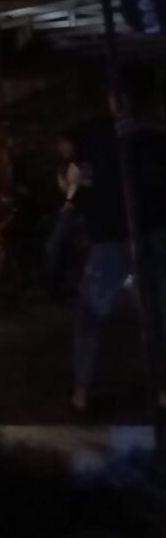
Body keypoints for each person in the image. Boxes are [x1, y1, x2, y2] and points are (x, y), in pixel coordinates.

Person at [71, 67, 166, 415]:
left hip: (114, 237)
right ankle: (161, 390)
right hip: (153, 233)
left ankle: (81, 391)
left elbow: (83, 186)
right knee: (157, 313)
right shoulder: (155, 135)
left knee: (91, 315)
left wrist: (86, 219)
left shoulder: (98, 137)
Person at [44, 131, 89, 297]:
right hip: (67, 210)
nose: (62, 148)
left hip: (75, 210)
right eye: (60, 145)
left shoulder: (79, 164)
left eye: (65, 144)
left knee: (54, 245)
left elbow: (75, 188)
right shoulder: (63, 165)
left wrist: (69, 203)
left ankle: (56, 284)